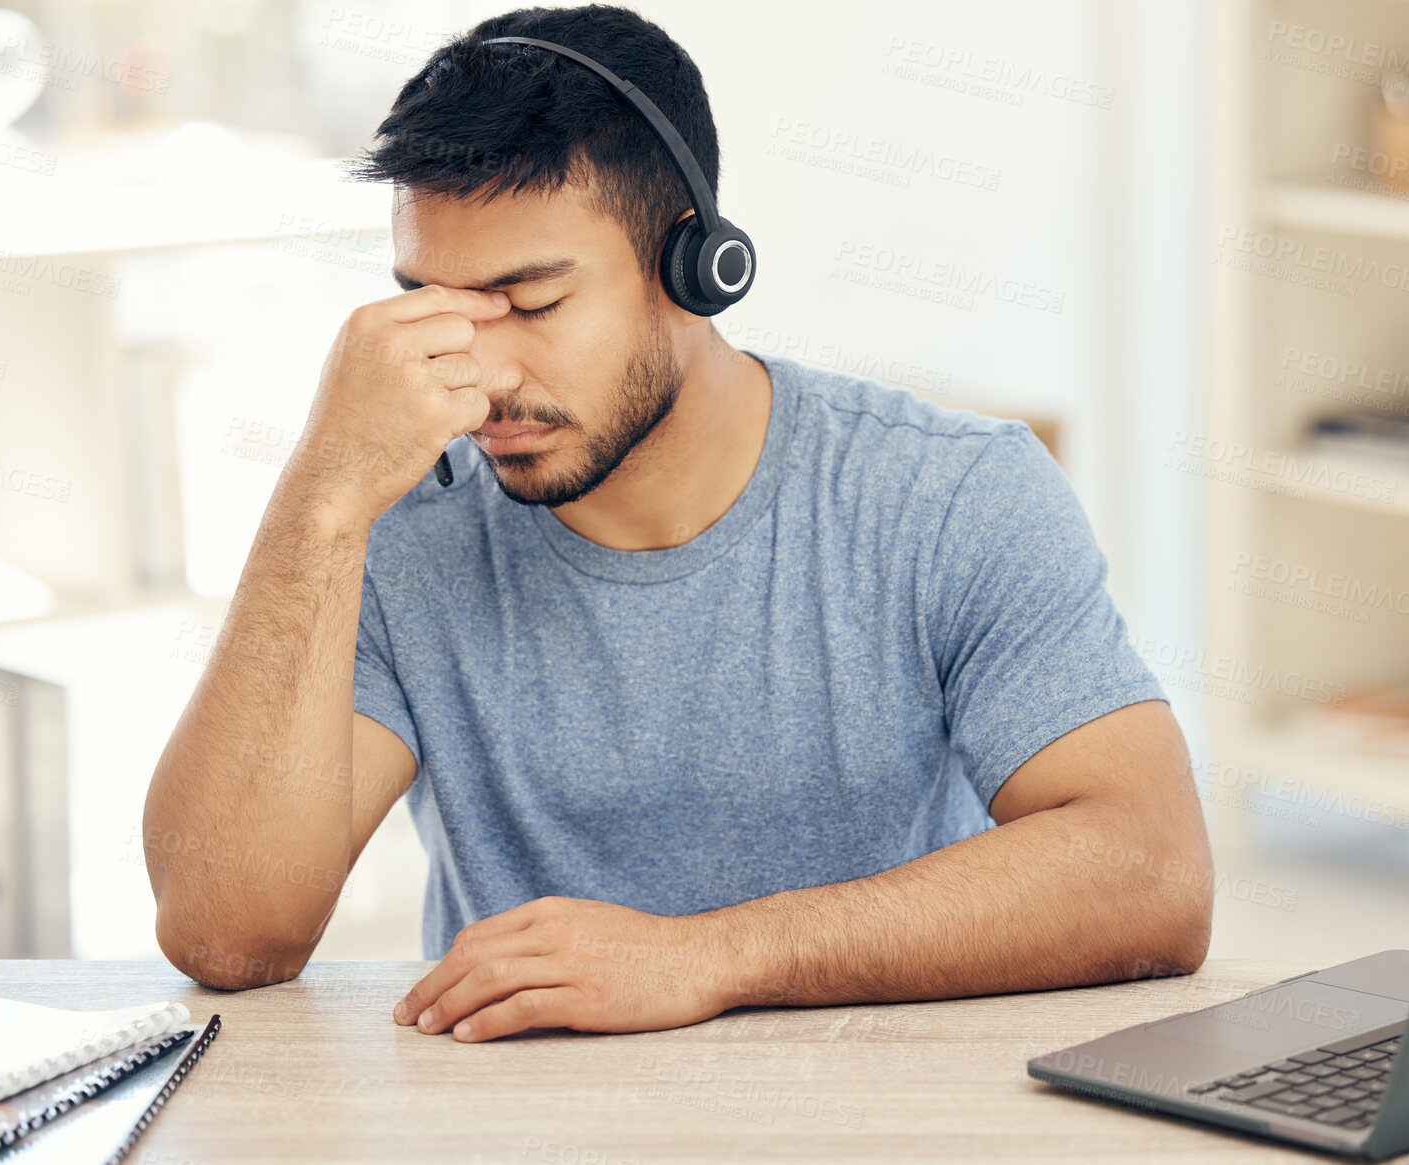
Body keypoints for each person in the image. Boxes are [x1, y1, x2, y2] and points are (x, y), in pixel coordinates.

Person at [143, 4, 1212, 1042]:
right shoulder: (397, 524)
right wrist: (321, 499)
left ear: (698, 266)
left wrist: (702, 956)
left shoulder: (948, 494)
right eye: (437, 308)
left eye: (532, 301)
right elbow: (230, 937)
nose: (485, 374)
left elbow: (1148, 872)